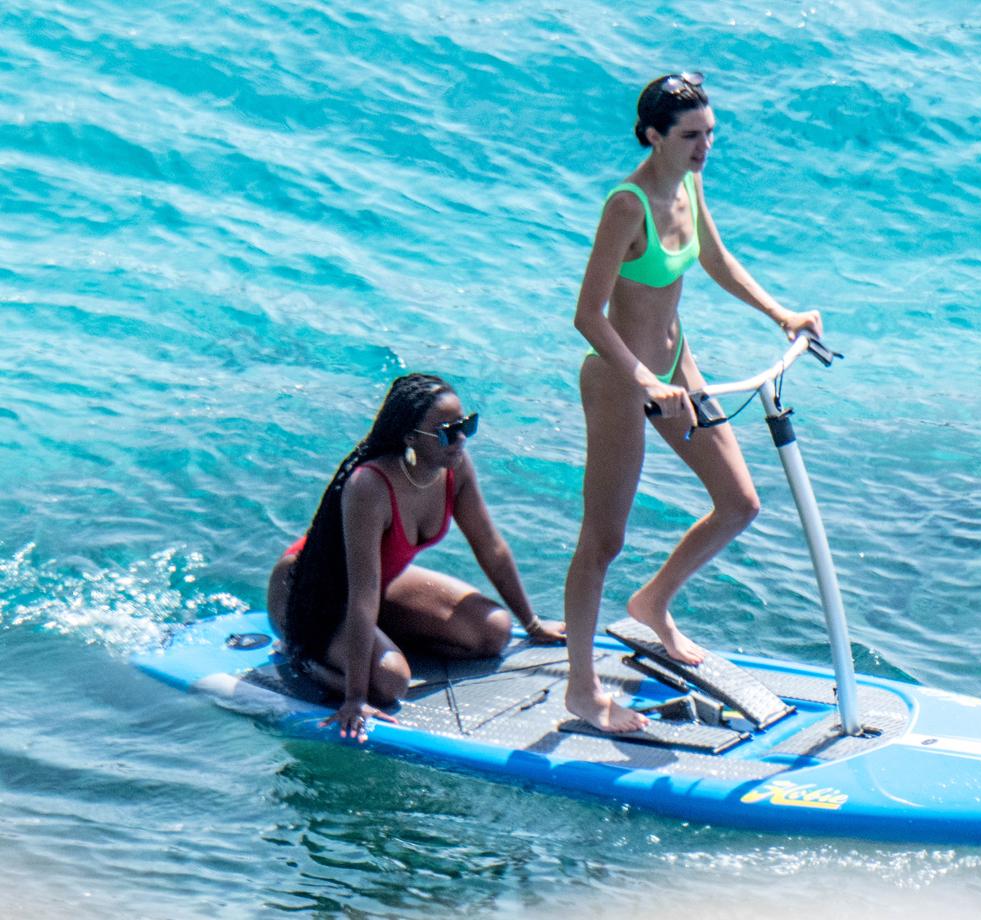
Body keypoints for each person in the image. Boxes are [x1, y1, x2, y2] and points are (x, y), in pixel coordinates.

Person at [563, 72, 823, 732]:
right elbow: (588, 315)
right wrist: (644, 380)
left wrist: (781, 313)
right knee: (604, 539)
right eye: (690, 136)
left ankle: (653, 603)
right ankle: (582, 692)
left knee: (740, 503)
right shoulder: (628, 205)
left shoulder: (689, 182)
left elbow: (715, 258)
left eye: (710, 133)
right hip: (623, 379)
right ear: (653, 136)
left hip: (680, 365)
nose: (705, 147)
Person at [267, 373, 565, 742]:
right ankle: (304, 657)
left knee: (494, 629)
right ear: (409, 437)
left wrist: (532, 624)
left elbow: (491, 546)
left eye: (465, 426)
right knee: (391, 683)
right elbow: (362, 593)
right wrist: (356, 697)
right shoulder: (370, 486)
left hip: (377, 587)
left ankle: (373, 647)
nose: (459, 439)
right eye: (446, 432)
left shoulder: (453, 467)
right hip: (309, 593)